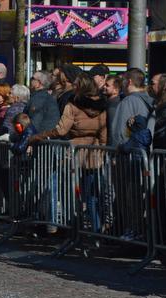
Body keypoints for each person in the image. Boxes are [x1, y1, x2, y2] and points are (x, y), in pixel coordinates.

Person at [29, 76, 108, 232]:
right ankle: (97, 231)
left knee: (67, 191)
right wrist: (102, 150)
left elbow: (61, 130)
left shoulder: (72, 105)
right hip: (94, 152)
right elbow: (103, 133)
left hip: (73, 151)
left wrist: (38, 136)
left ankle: (69, 228)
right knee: (91, 196)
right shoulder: (102, 107)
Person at [110, 68, 154, 149]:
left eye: (123, 80)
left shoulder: (127, 101)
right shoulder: (151, 101)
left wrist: (116, 151)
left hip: (128, 153)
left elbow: (119, 131)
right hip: (146, 152)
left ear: (129, 82)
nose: (121, 84)